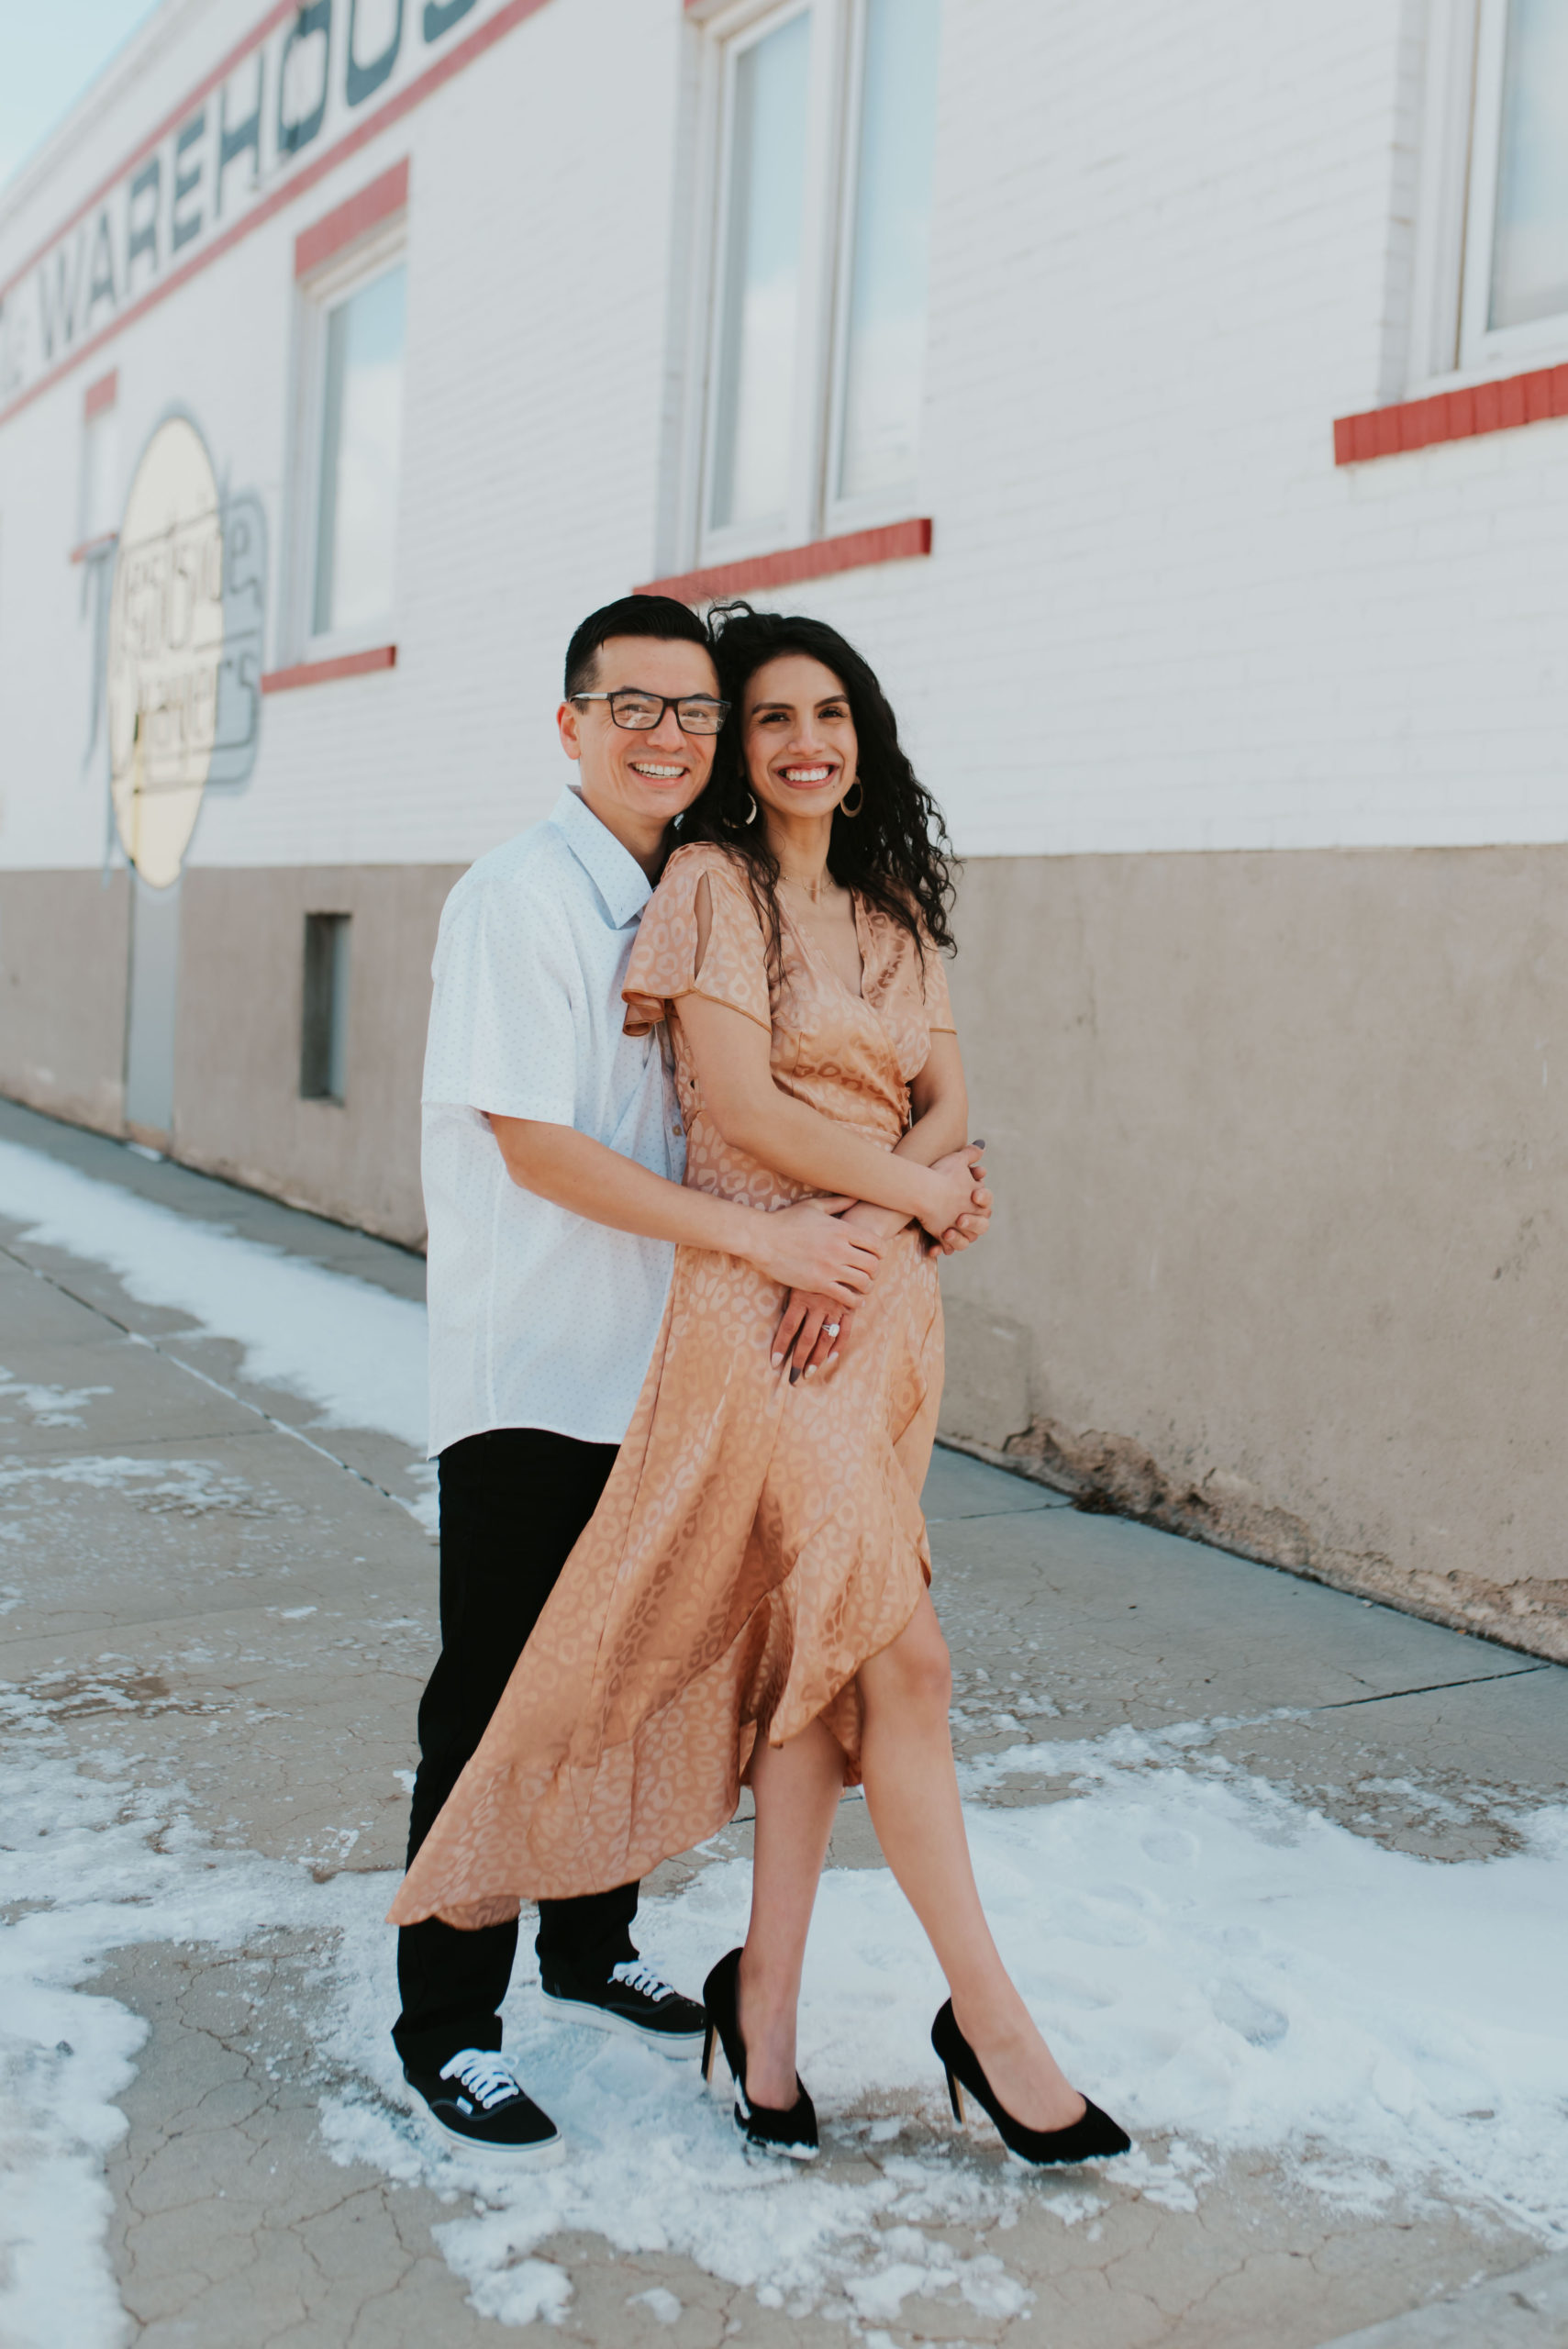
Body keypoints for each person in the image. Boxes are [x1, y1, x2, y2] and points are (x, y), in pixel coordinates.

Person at [390, 611, 1118, 2169]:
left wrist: (904, 1203)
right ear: (572, 722)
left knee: (661, 1659)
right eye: (634, 706)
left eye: (693, 711)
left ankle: (599, 1951)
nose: (670, 734)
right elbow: (538, 1147)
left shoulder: (717, 881)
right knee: (513, 1687)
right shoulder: (524, 897)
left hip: (712, 1341)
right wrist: (819, 1223)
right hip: (549, 1358)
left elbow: (901, 1098)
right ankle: (447, 2025)